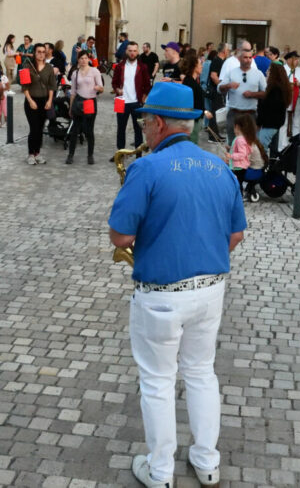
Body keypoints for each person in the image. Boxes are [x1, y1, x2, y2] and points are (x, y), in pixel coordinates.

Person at [108, 82, 246, 488]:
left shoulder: (146, 167)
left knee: (157, 380)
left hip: (161, 295)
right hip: (211, 289)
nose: (145, 128)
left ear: (160, 123)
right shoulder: (220, 166)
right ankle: (206, 463)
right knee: (202, 373)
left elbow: (120, 237)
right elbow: (236, 236)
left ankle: (161, 471)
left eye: (147, 121)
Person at [218, 44, 265, 145]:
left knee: (250, 144)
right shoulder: (232, 73)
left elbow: (266, 93)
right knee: (232, 143)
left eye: (250, 57)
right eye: (245, 57)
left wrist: (252, 94)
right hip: (234, 113)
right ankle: (232, 160)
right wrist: (228, 86)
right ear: (239, 59)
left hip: (250, 114)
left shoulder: (258, 74)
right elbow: (219, 88)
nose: (248, 60)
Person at [20, 43, 56, 165]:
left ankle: (37, 153)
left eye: (43, 52)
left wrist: (50, 100)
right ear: (34, 53)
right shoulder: (27, 66)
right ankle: (31, 154)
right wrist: (30, 101)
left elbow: (52, 86)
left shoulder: (49, 68)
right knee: (34, 128)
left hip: (44, 101)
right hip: (31, 100)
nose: (41, 54)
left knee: (40, 129)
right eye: (38, 52)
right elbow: (24, 86)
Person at [66, 50, 104, 164]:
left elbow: (101, 88)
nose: (83, 60)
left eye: (85, 58)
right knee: (75, 130)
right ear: (78, 60)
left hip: (90, 102)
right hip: (79, 101)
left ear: (89, 59)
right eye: (81, 58)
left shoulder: (94, 71)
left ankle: (90, 155)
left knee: (89, 130)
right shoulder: (75, 73)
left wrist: (98, 88)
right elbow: (73, 91)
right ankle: (70, 155)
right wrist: (71, 107)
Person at [112, 41, 151, 149]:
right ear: (126, 51)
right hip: (121, 101)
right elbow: (114, 82)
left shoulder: (142, 67)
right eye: (130, 51)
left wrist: (143, 97)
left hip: (137, 103)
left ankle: (138, 154)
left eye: (134, 51)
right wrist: (117, 89)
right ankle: (120, 153)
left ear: (138, 52)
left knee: (138, 130)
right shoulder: (120, 66)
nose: (132, 53)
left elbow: (148, 85)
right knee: (121, 129)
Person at [229, 112, 267, 202]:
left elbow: (243, 158)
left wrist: (231, 157)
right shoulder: (249, 139)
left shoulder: (243, 141)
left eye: (234, 127)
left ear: (237, 127)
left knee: (235, 172)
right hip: (258, 169)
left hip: (254, 171)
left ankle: (239, 193)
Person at [257, 62, 290, 155]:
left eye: (269, 70)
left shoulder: (274, 90)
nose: (266, 72)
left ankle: (262, 168)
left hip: (269, 124)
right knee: (273, 150)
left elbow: (266, 108)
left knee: (261, 149)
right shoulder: (281, 88)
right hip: (276, 123)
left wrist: (258, 123)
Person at [178, 53, 208, 144]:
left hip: (196, 118)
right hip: (193, 120)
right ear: (194, 67)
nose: (202, 66)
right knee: (192, 143)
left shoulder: (192, 81)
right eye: (200, 64)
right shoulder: (190, 82)